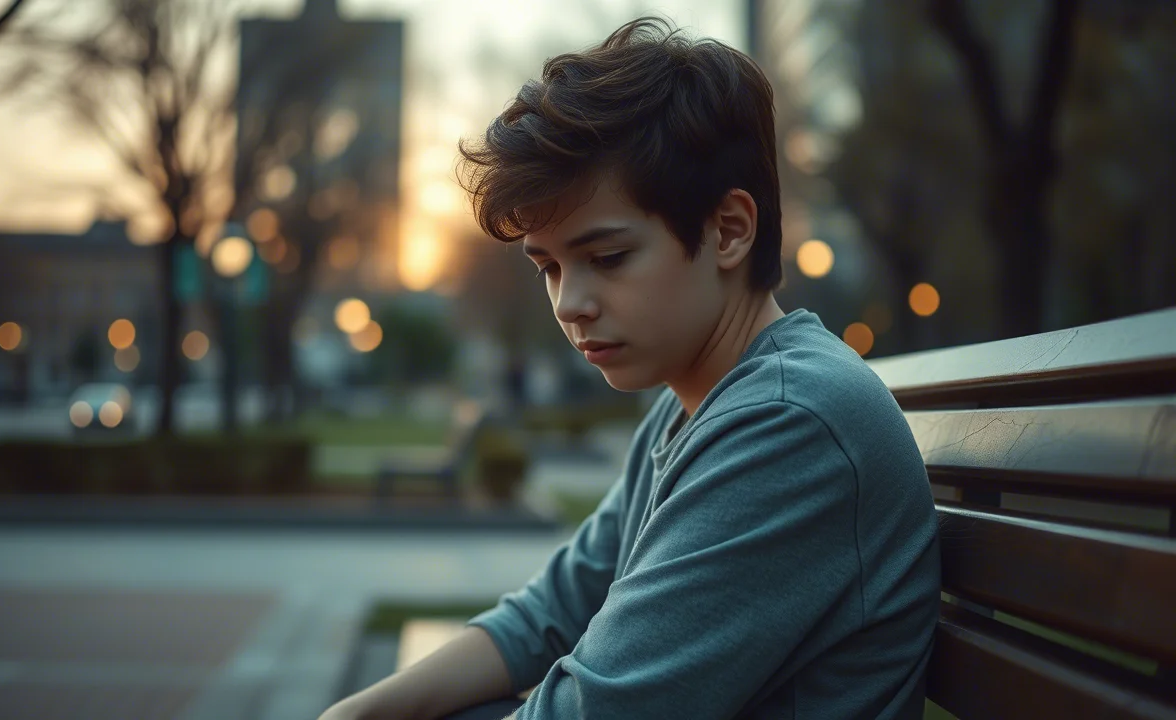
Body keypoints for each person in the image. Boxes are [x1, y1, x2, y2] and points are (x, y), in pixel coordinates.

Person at [319, 16, 939, 720]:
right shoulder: (694, 404)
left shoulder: (789, 422)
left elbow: (595, 709)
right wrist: (356, 714)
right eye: (549, 267)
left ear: (729, 230)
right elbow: (551, 613)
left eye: (607, 258)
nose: (570, 304)